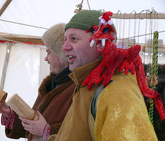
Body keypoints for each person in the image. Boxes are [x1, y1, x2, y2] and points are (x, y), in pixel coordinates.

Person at [48, 10, 164, 141]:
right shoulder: (86, 84)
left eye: (74, 39)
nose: (64, 47)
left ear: (101, 43)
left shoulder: (117, 92)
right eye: (65, 39)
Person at [0, 23, 75, 141]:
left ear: (62, 55)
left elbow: (79, 133)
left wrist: (47, 131)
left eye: (48, 52)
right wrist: (9, 113)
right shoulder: (49, 85)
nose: (46, 58)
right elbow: (31, 129)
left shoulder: (77, 89)